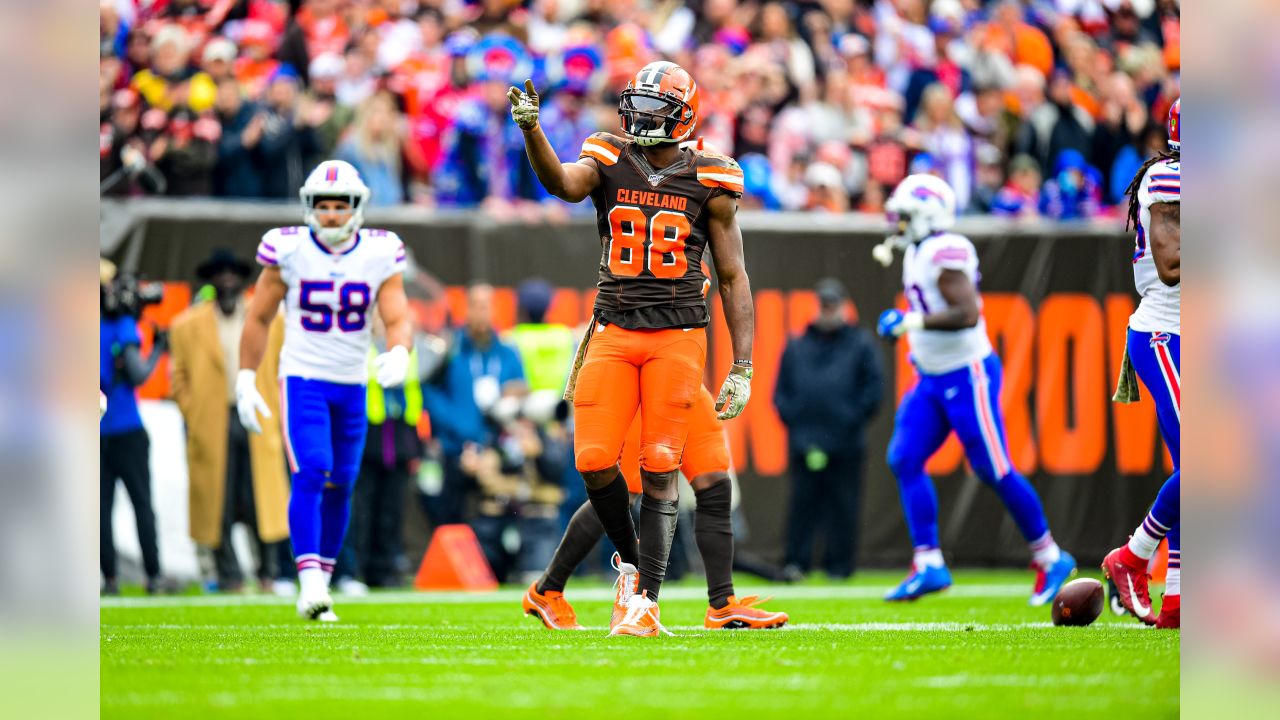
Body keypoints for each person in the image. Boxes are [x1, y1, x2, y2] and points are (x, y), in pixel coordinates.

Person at [509, 60, 755, 637]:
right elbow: (563, 184)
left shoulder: (712, 176)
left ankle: (648, 598)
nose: (641, 119)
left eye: (655, 110)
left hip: (677, 335)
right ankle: (623, 575)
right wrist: (532, 132)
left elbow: (733, 276)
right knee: (594, 462)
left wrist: (742, 364)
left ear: (683, 115)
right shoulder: (608, 155)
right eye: (636, 107)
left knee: (668, 466)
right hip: (615, 331)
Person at [871, 173, 1076, 605]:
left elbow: (966, 312)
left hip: (967, 375)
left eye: (906, 216)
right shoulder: (919, 251)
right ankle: (929, 564)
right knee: (904, 457)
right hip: (931, 376)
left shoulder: (947, 250)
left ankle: (1050, 556)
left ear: (928, 216)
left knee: (993, 469)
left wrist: (909, 322)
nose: (898, 223)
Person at [235, 159, 412, 621]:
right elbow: (258, 316)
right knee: (313, 469)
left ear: (357, 207)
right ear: (309, 206)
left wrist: (399, 350)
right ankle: (309, 582)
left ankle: (324, 582)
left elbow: (396, 313)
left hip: (353, 382)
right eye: (323, 205)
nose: (331, 214)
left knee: (342, 484)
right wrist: (245, 376)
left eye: (340, 205)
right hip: (304, 377)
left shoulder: (380, 251)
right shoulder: (288, 248)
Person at [522, 385, 789, 630]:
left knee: (715, 479)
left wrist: (742, 364)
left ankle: (722, 603)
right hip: (646, 381)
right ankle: (550, 588)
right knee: (624, 492)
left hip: (686, 380)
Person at [1102, 98, 1180, 630]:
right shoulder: (1169, 179)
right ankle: (1132, 556)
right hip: (1165, 333)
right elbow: (1173, 266)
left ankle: (1176, 598)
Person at [169, 249, 290, 593]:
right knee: (216, 500)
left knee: (260, 497)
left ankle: (268, 571)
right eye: (219, 273)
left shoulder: (269, 319)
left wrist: (278, 412)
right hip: (214, 416)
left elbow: (283, 366)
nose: (227, 280)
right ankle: (229, 574)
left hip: (256, 414)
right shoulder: (187, 325)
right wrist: (194, 411)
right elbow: (178, 377)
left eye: (232, 273)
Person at [774, 278, 884, 581]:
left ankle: (840, 565)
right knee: (802, 505)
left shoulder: (861, 344)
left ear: (844, 307)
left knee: (843, 507)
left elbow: (873, 391)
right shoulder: (797, 345)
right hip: (804, 441)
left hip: (846, 444)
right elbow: (781, 393)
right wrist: (798, 422)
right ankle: (797, 562)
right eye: (824, 305)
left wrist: (847, 420)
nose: (828, 311)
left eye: (833, 305)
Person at [422, 283, 528, 526]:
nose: (481, 312)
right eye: (476, 306)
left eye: (486, 306)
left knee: (495, 520)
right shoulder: (450, 348)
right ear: (466, 309)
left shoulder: (507, 352)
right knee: (450, 519)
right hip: (454, 449)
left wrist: (514, 397)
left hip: (495, 449)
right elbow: (428, 389)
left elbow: (520, 390)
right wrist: (455, 425)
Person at [100, 259, 169, 594]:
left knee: (100, 509)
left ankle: (109, 578)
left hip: (96, 431)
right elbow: (138, 374)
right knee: (142, 502)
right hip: (126, 426)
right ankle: (153, 575)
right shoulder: (124, 326)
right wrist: (158, 349)